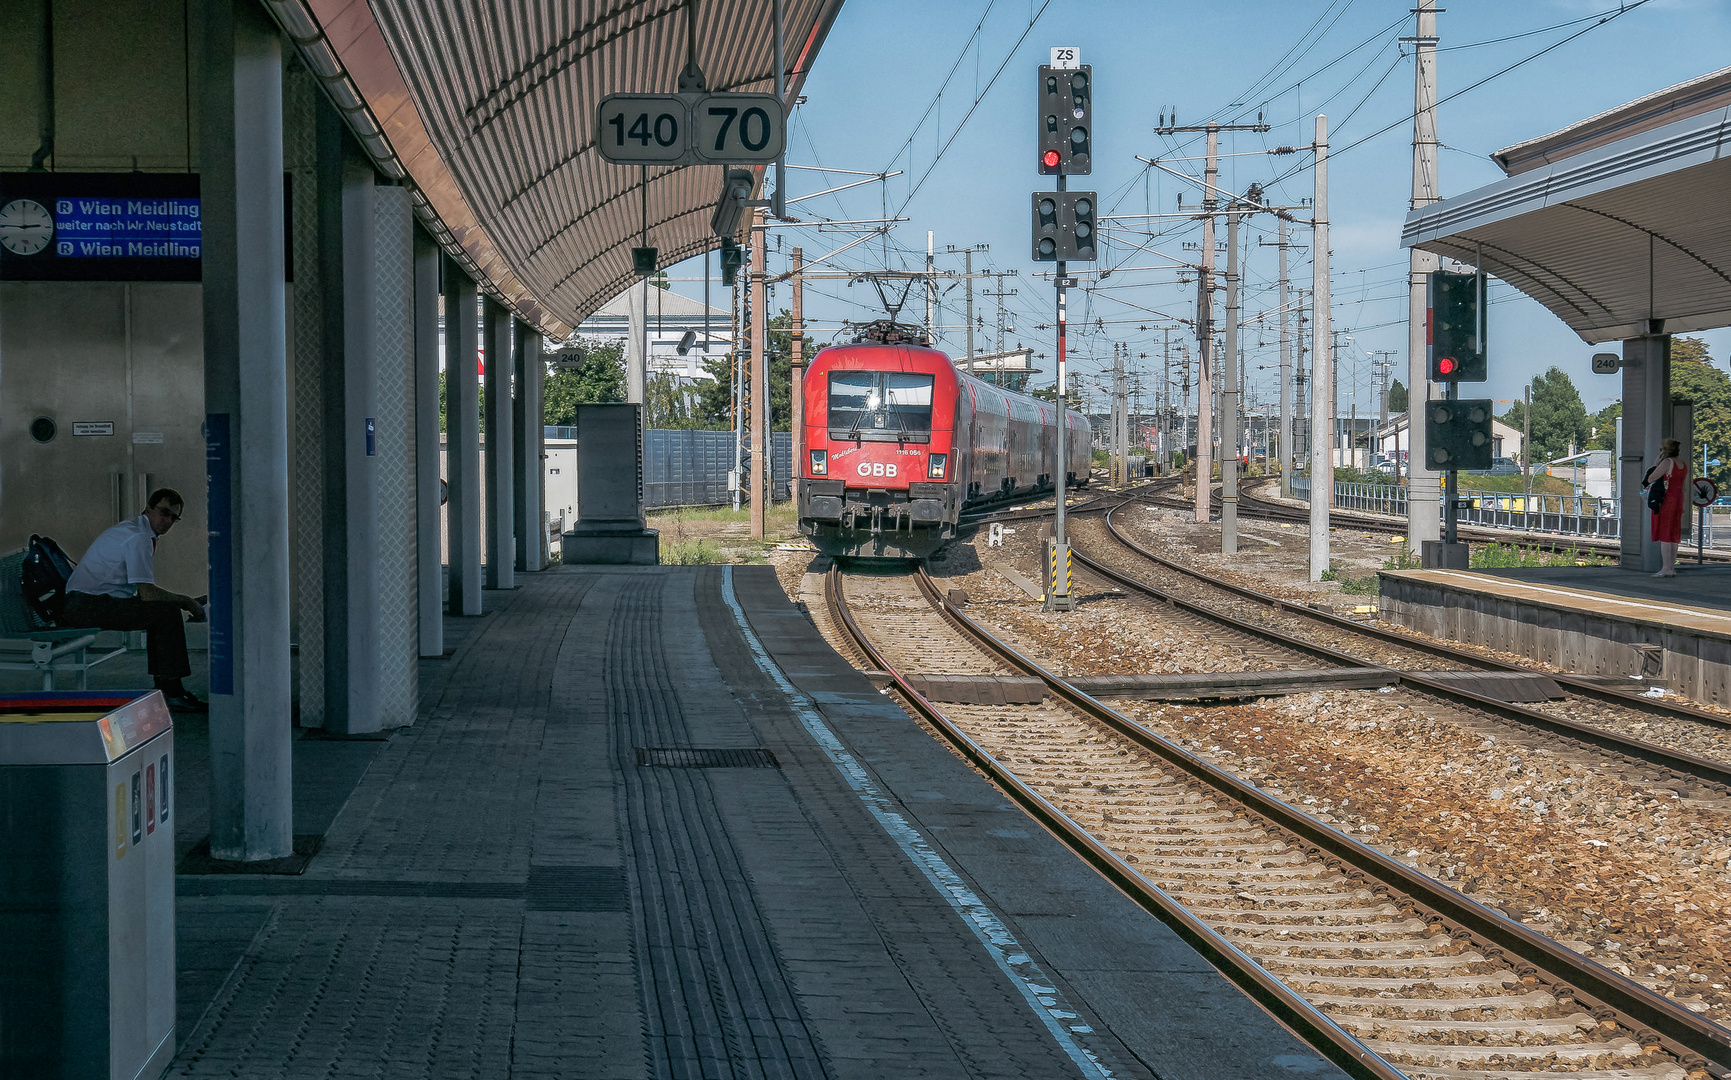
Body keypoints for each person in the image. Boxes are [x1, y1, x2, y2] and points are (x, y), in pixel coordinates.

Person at [63, 488, 208, 711]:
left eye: (173, 517)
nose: (167, 520)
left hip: (87, 602)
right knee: (165, 614)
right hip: (87, 605)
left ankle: (167, 689)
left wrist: (184, 600)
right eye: (164, 512)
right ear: (148, 509)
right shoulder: (139, 537)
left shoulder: (135, 530)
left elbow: (145, 596)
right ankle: (172, 692)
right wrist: (187, 602)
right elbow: (147, 594)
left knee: (162, 611)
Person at [1644, 438, 1689, 578]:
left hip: (1666, 501)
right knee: (1674, 535)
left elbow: (1651, 478)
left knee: (1665, 535)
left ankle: (1665, 568)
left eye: (1661, 449)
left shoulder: (1667, 462)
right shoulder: (1682, 464)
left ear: (1665, 450)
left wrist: (1656, 464)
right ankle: (1671, 567)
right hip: (1678, 499)